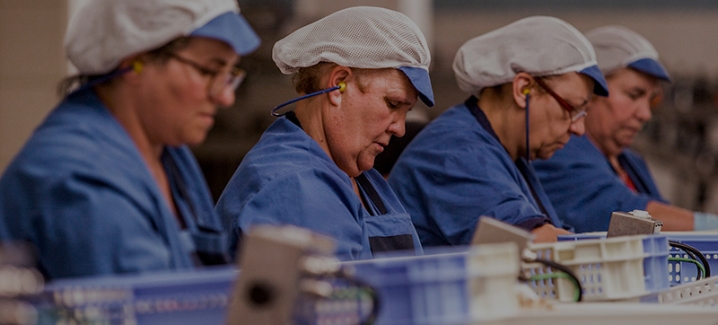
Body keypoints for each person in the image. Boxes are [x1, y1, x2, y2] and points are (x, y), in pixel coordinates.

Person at [0, 0, 260, 280]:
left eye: (229, 76)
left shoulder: (169, 154)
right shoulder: (81, 181)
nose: (225, 97)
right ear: (135, 63)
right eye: (208, 72)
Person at [215, 6, 433, 260]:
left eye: (406, 112)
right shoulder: (293, 186)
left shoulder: (360, 176)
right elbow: (340, 296)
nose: (400, 128)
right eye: (393, 104)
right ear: (337, 85)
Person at [388, 16, 609, 246]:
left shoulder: (505, 153)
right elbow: (536, 242)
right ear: (524, 89)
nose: (578, 128)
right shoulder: (454, 152)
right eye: (571, 109)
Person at [533, 26, 718, 232]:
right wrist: (707, 226)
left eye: (651, 100)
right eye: (633, 95)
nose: (645, 114)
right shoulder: (558, 152)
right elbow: (620, 215)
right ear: (590, 91)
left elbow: (662, 217)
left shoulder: (631, 162)